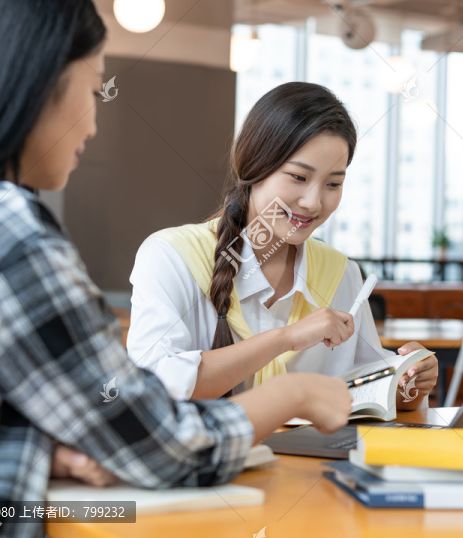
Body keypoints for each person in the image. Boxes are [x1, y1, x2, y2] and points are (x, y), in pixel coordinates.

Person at [0, 0, 351, 538]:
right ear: (37, 85)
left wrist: (40, 447)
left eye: (335, 182)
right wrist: (293, 392)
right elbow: (163, 446)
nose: (93, 125)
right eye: (93, 91)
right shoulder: (2, 231)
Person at [126, 82, 438, 403]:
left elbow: (370, 391)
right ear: (255, 165)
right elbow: (154, 385)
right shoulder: (171, 256)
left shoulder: (341, 272)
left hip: (317, 455)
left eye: (333, 183)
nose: (313, 203)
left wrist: (409, 383)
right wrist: (285, 338)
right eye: (298, 177)